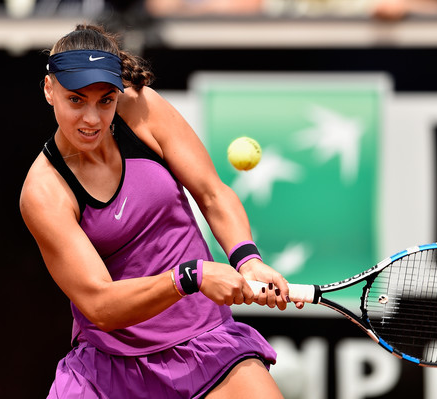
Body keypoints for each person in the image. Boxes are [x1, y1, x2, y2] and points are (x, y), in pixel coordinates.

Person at [20, 23, 302, 399]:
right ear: (49, 89)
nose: (92, 119)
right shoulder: (43, 191)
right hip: (108, 370)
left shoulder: (141, 108)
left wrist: (247, 260)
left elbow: (213, 193)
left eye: (105, 100)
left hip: (207, 344)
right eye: (76, 100)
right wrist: (189, 278)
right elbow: (100, 305)